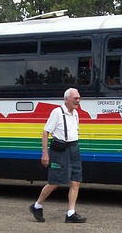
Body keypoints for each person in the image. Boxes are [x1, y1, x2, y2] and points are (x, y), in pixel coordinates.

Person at [29, 88, 86, 223]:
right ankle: (37, 205)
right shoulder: (57, 112)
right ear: (66, 99)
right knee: (54, 182)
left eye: (79, 98)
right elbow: (45, 132)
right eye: (75, 98)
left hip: (74, 148)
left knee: (76, 181)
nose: (78, 101)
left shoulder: (76, 113)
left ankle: (71, 213)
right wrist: (45, 153)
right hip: (60, 150)